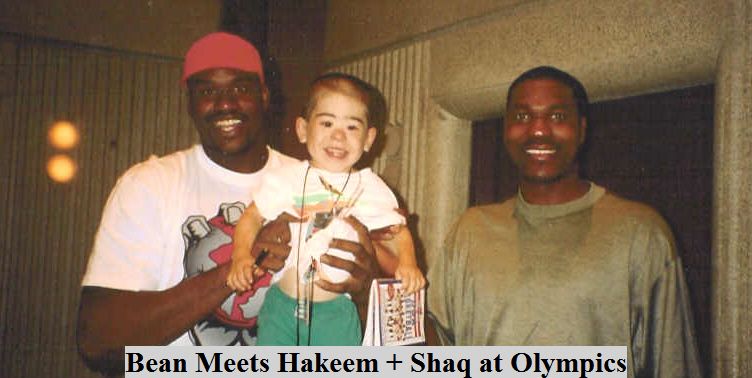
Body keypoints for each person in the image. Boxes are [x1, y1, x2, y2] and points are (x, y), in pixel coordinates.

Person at [76, 32, 382, 374]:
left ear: (264, 96)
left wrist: (366, 293)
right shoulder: (150, 184)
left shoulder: (317, 181)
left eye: (240, 88)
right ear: (190, 103)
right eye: (208, 91)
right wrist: (240, 262)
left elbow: (388, 352)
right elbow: (97, 341)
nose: (225, 104)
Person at [427, 66, 701, 377]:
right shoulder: (470, 230)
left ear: (582, 129)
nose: (539, 130)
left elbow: (674, 364)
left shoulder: (642, 233)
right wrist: (375, 292)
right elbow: (433, 359)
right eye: (522, 116)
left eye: (557, 117)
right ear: (506, 129)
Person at [227, 72, 425, 345]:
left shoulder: (369, 186)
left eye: (352, 127)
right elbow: (251, 217)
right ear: (302, 130)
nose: (339, 136)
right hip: (282, 306)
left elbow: (397, 231)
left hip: (335, 312)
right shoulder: (286, 178)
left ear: (369, 139)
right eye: (327, 123)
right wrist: (240, 257)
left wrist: (408, 263)